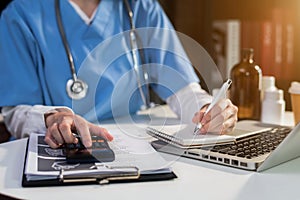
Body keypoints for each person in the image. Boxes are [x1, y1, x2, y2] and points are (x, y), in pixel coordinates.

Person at [0, 0, 238, 149]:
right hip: (62, 150)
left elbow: (184, 91)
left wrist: (209, 110)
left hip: (133, 146)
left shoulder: (140, 7)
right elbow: (14, 112)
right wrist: (51, 119)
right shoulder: (22, 14)